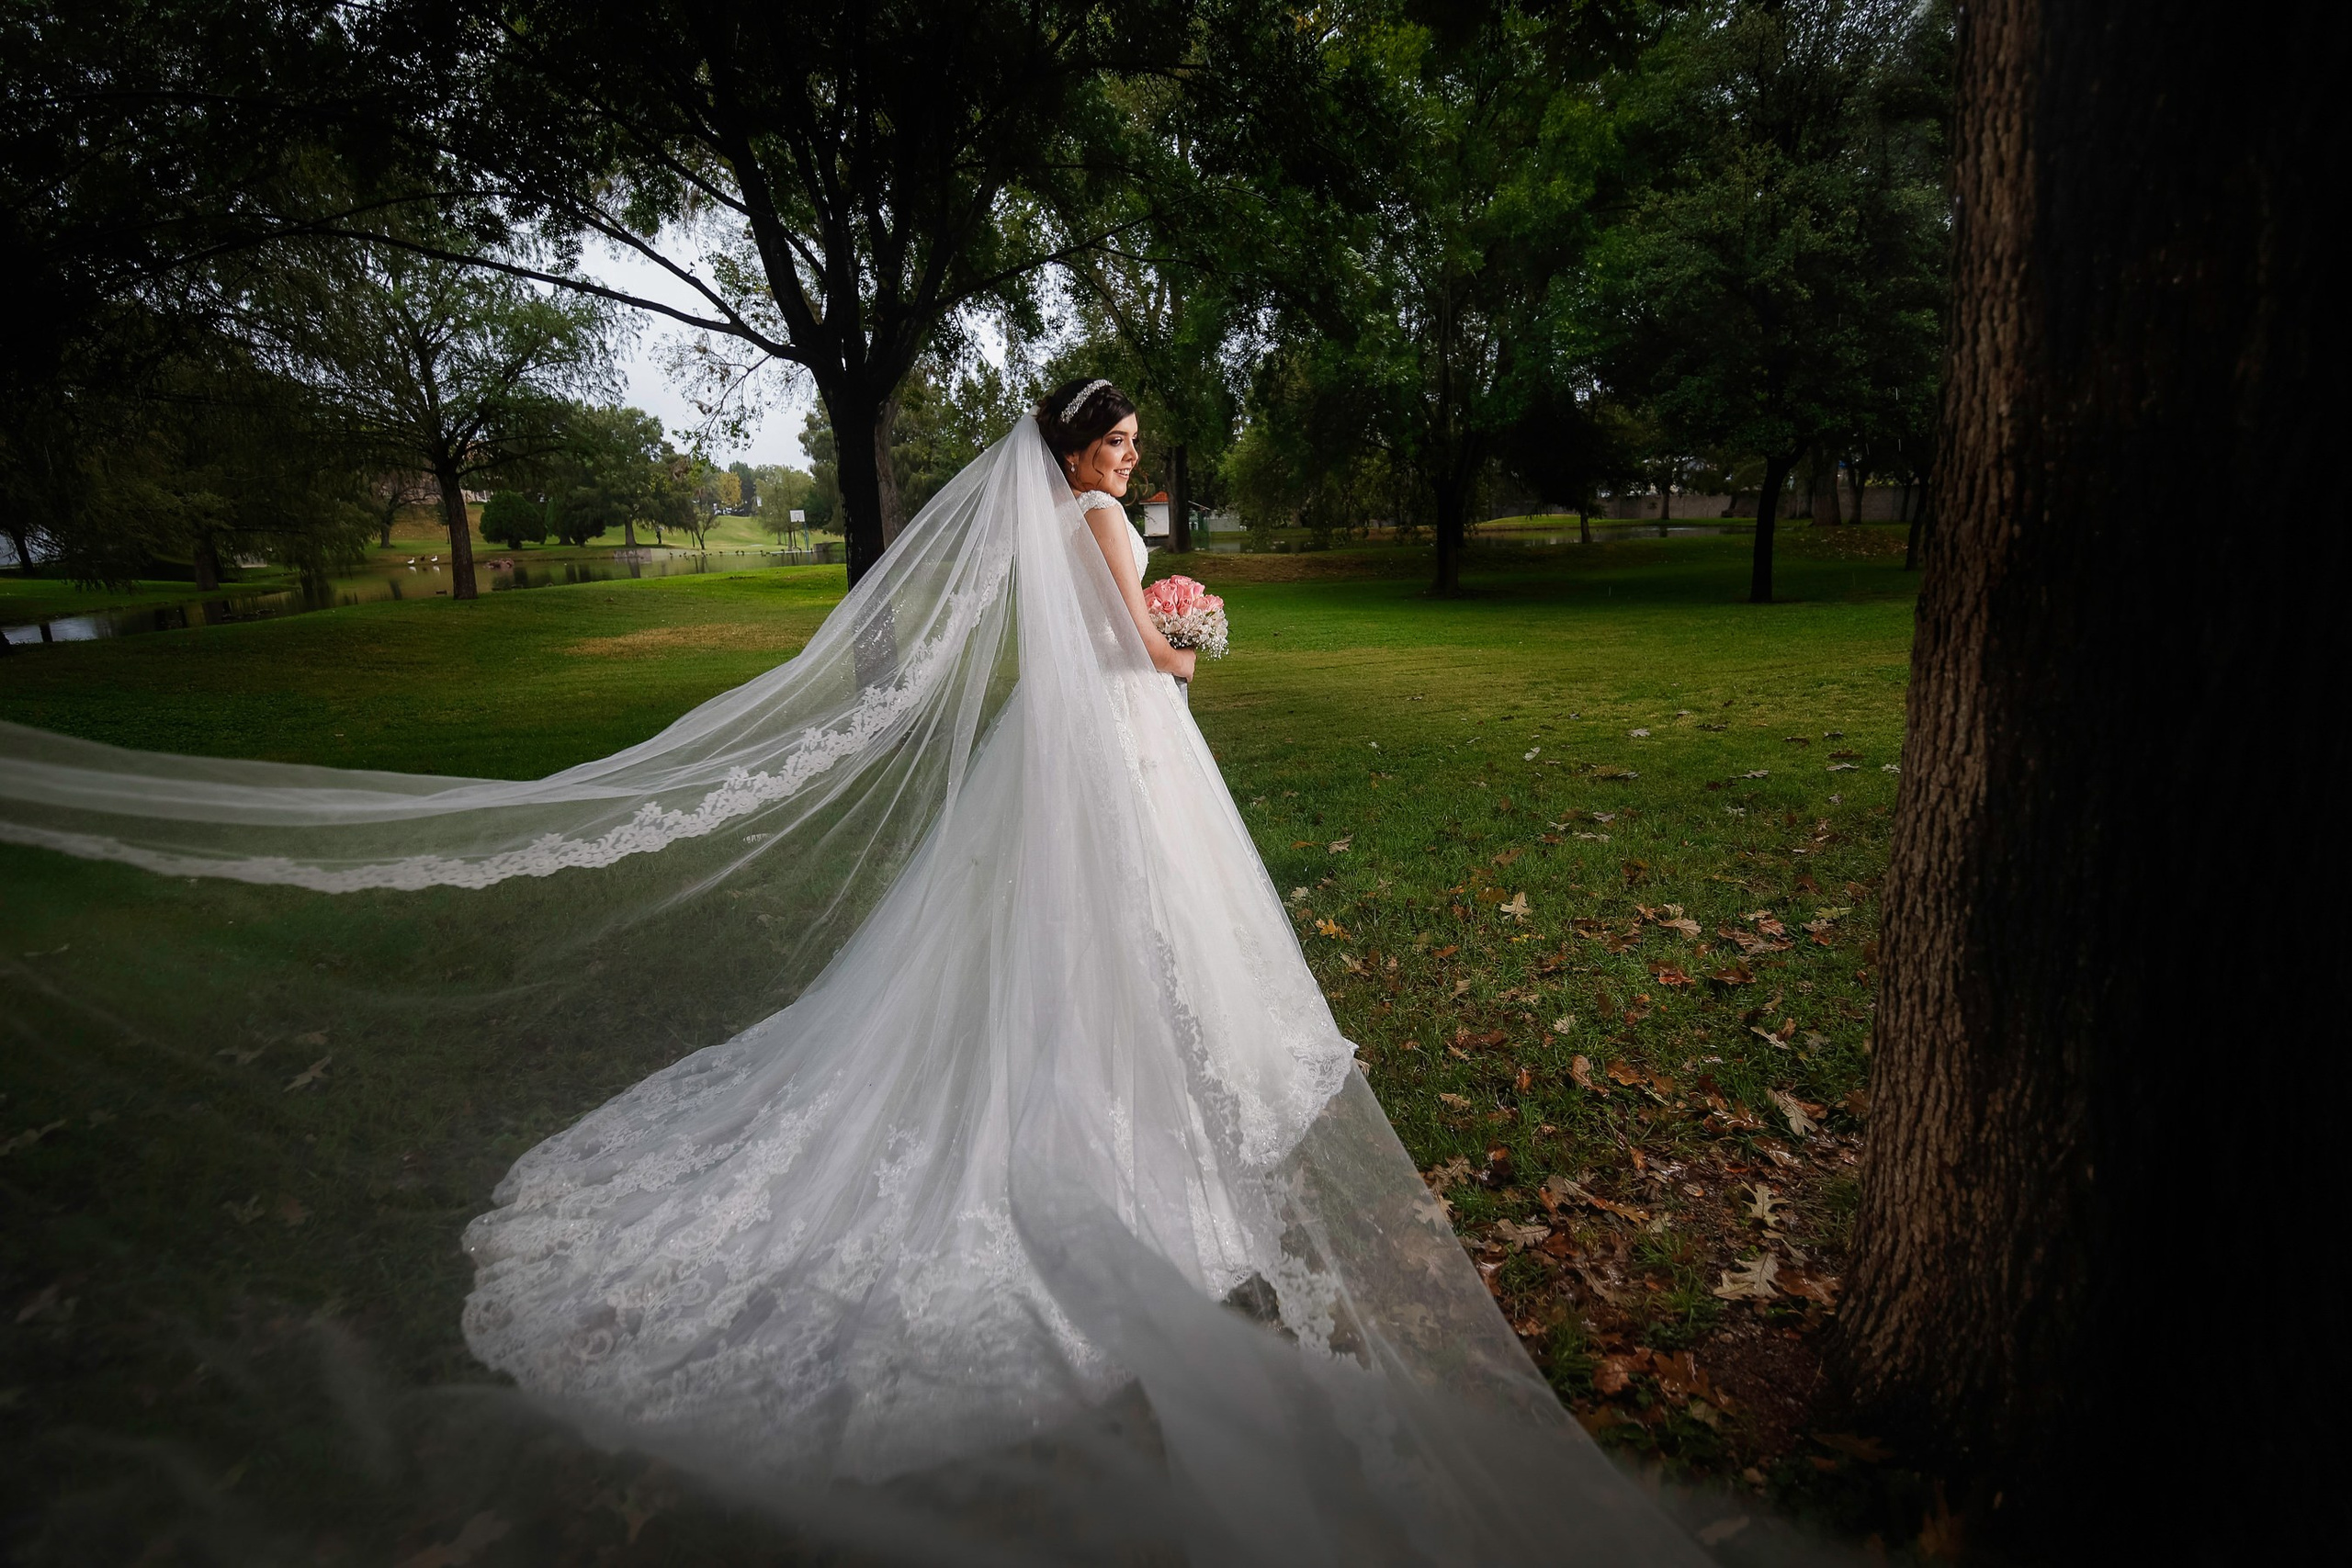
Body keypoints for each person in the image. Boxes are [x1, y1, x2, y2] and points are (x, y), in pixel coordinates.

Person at [0, 380, 1706, 1564]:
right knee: (1132, 934)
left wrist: (1169, 626)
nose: (1123, 448)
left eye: (1129, 432)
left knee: (1072, 937)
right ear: (1074, 450)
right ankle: (1124, 1122)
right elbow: (1150, 668)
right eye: (1107, 432)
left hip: (1067, 753)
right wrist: (1191, 635)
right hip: (1129, 748)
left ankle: (1108, 1087)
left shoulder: (1074, 522)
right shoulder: (1109, 535)